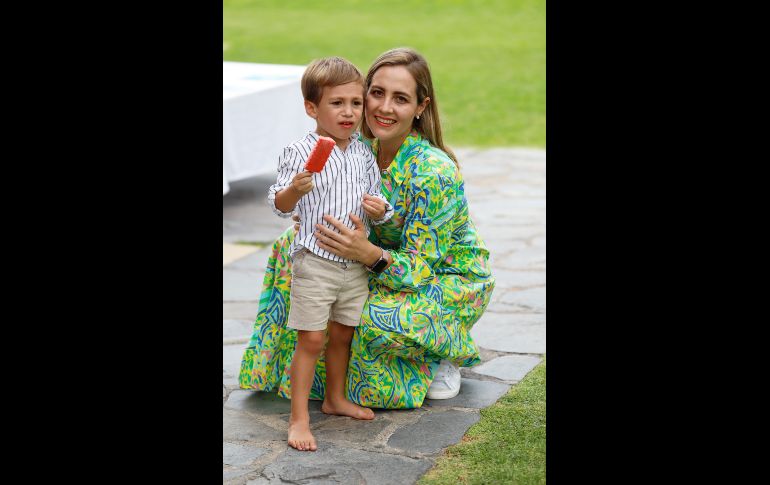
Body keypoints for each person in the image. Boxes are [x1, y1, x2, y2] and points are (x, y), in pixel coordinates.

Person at [239, 47, 494, 419]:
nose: (384, 108)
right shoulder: (359, 149)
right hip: (368, 261)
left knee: (364, 319)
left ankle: (433, 356)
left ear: (421, 106)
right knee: (293, 255)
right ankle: (319, 382)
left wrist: (366, 253)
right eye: (377, 93)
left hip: (437, 278)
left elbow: (422, 269)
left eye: (401, 98)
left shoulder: (434, 171)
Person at [267, 56, 394, 452]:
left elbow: (378, 197)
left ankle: (335, 399)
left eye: (356, 103)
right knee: (311, 338)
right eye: (337, 103)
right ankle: (299, 418)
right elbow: (280, 204)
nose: (349, 112)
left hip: (353, 265)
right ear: (312, 108)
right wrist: (297, 190)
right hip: (315, 262)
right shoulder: (300, 151)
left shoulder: (362, 152)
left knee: (342, 334)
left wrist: (380, 209)